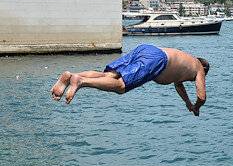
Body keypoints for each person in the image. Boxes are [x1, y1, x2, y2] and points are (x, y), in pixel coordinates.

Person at [51, 44, 209, 116]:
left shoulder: (186, 63)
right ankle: (81, 82)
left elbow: (179, 85)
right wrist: (197, 107)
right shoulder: (199, 67)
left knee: (110, 76)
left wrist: (187, 103)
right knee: (120, 86)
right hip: (157, 59)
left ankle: (72, 76)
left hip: (147, 49)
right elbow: (202, 96)